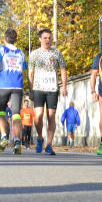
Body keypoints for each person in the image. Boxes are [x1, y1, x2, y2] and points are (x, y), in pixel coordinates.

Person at [28, 28, 67, 156]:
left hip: (52, 89)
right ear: (40, 39)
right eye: (45, 38)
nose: (47, 40)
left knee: (51, 116)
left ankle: (49, 145)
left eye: (49, 38)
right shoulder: (34, 54)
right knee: (38, 116)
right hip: (38, 88)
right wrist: (31, 89)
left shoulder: (57, 53)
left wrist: (64, 86)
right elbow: (31, 73)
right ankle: (40, 137)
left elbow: (63, 69)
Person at [0, 29, 26, 154]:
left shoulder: (0, 50)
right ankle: (17, 142)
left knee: (1, 112)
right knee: (16, 113)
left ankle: (4, 137)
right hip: (17, 86)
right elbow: (23, 71)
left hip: (4, 85)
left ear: (5, 39)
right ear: (15, 39)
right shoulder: (21, 53)